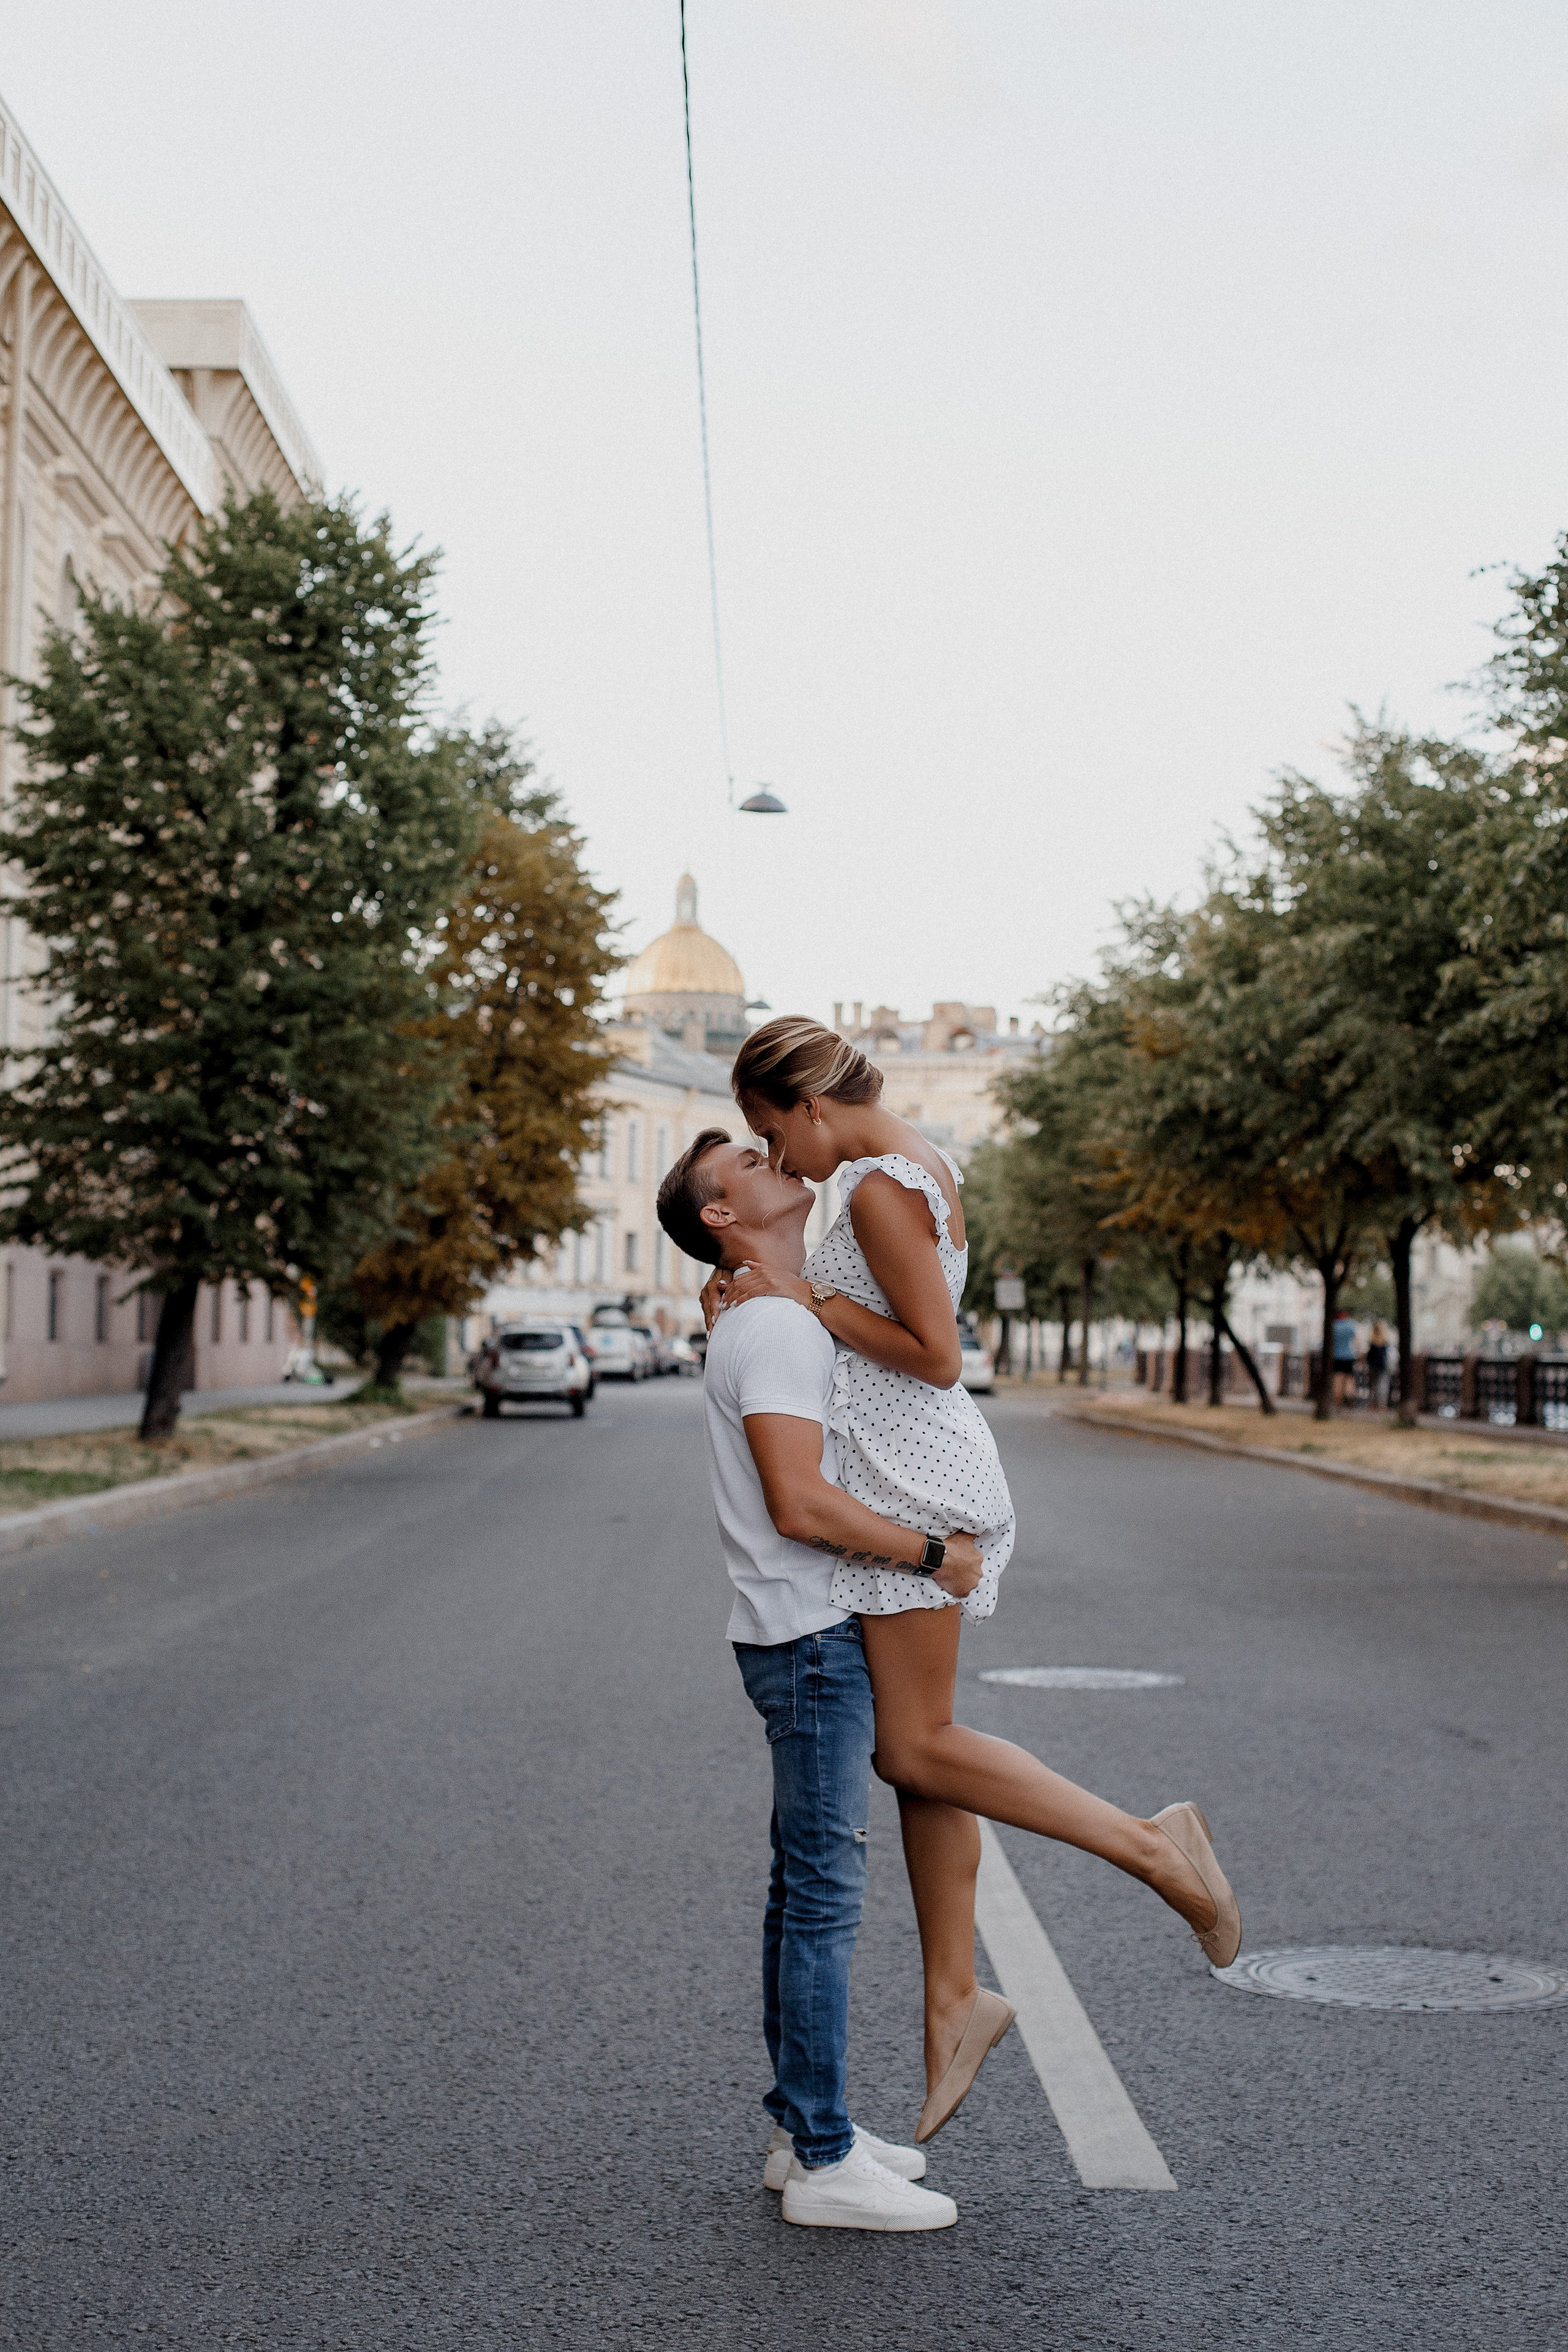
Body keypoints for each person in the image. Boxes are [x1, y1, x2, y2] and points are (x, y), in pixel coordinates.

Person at [675, 1019, 1242, 2143]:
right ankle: (953, 1999)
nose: (779, 1158)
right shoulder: (899, 1167)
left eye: (771, 1132)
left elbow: (937, 1352)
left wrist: (799, 1301)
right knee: (919, 1748)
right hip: (905, 1472)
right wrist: (768, 1292)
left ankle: (1152, 1848)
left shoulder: (882, 1188)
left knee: (916, 1746)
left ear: (812, 1105)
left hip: (919, 1484)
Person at [657, 1128, 971, 2231]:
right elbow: (802, 1502)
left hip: (791, 1635)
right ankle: (828, 2160)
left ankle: (805, 2129)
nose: (768, 1153)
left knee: (804, 1894)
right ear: (722, 1217)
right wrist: (932, 1552)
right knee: (824, 1896)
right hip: (810, 1638)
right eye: (742, 1160)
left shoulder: (764, 1315)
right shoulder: (776, 1328)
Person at [1332, 1310, 1359, 1407]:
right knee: (1349, 1378)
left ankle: (1338, 1399)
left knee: (1337, 1378)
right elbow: (1356, 1340)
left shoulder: (1333, 1326)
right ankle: (1348, 1395)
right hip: (1349, 1355)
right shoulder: (1350, 1325)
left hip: (1336, 1355)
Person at [1366, 1318, 1391, 1409]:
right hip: (1383, 1366)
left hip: (1373, 1366)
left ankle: (1373, 1404)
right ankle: (1382, 1404)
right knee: (1383, 1385)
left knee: (1373, 1385)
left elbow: (1370, 1357)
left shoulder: (1372, 1342)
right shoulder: (1385, 1343)